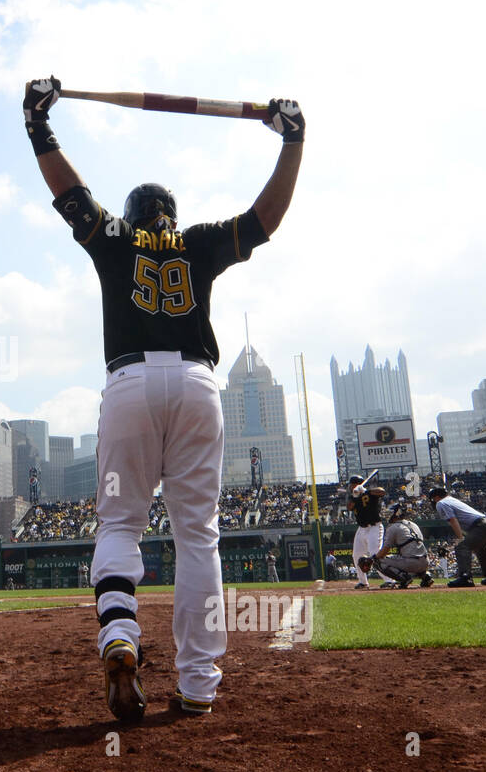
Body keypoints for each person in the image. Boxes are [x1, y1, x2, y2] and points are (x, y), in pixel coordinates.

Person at [24, 75, 303, 720]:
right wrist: (293, 142)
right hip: (199, 384)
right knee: (198, 536)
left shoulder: (116, 237)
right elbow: (267, 219)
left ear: (135, 210)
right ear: (171, 214)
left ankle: (119, 635)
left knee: (120, 523)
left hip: (129, 383)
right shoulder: (199, 241)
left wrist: (38, 123)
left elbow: (70, 194)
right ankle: (199, 684)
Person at [428, 485, 486, 587]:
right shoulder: (451, 500)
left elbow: (453, 520)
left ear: (436, 497)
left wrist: (460, 538)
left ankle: (465, 577)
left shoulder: (441, 503)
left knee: (462, 546)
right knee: (481, 550)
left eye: (432, 499)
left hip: (481, 525)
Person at [347, 475, 398, 590]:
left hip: (374, 527)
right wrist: (355, 495)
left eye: (351, 484)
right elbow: (349, 507)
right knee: (356, 555)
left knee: (375, 553)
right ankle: (363, 582)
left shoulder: (369, 493)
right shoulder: (352, 496)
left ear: (357, 483)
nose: (350, 487)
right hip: (361, 529)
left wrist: (365, 491)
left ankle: (389, 580)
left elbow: (382, 492)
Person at [370, 503, 435, 589]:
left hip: (411, 563)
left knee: (378, 561)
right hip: (425, 562)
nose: (387, 515)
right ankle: (426, 576)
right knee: (408, 555)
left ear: (397, 514)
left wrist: (373, 558)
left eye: (390, 512)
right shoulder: (414, 524)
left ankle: (404, 578)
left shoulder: (393, 527)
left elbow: (385, 550)